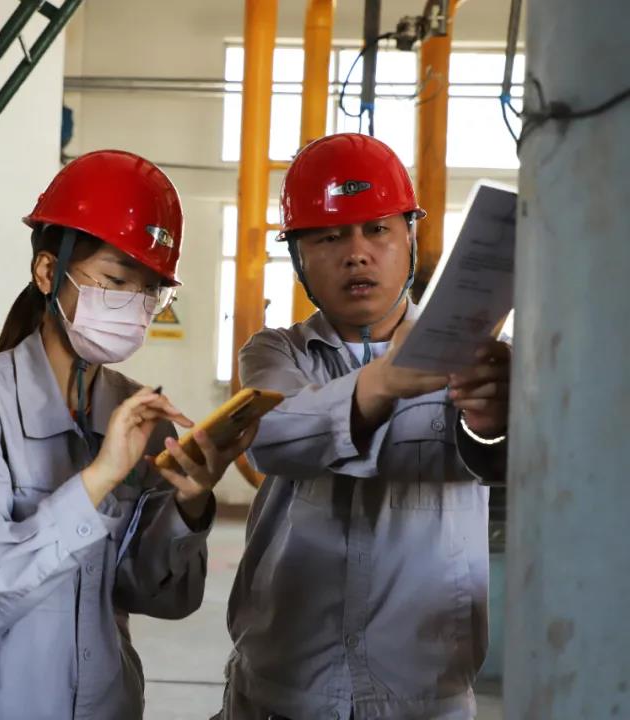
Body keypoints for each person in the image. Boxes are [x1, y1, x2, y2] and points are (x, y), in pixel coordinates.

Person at [0, 150, 259, 720]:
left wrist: (189, 505)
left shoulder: (136, 414)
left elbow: (160, 596)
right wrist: (97, 480)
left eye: (150, 290)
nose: (133, 305)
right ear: (49, 273)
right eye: (116, 281)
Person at [219, 133, 511, 720]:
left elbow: (515, 467)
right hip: (286, 685)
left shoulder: (481, 360)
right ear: (299, 257)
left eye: (377, 230)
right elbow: (272, 440)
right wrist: (386, 381)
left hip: (423, 690)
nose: (357, 254)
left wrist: (490, 424)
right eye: (329, 237)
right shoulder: (275, 353)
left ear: (410, 238)